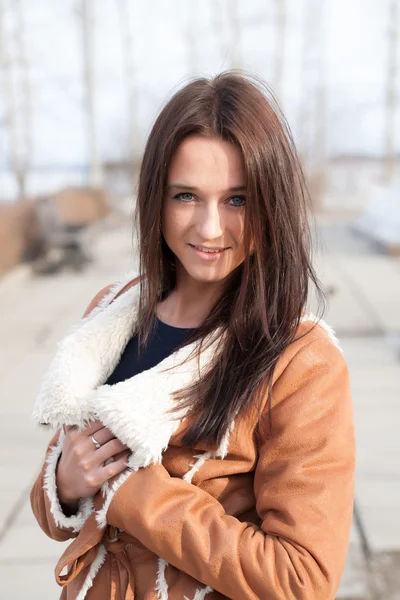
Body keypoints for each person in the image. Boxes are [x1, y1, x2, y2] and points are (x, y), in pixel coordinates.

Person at [30, 71, 355, 600]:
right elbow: (54, 511)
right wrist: (67, 482)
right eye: (186, 196)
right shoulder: (112, 315)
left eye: (237, 200)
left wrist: (134, 492)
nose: (208, 228)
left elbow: (303, 580)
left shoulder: (300, 360)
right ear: (155, 199)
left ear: (271, 205)